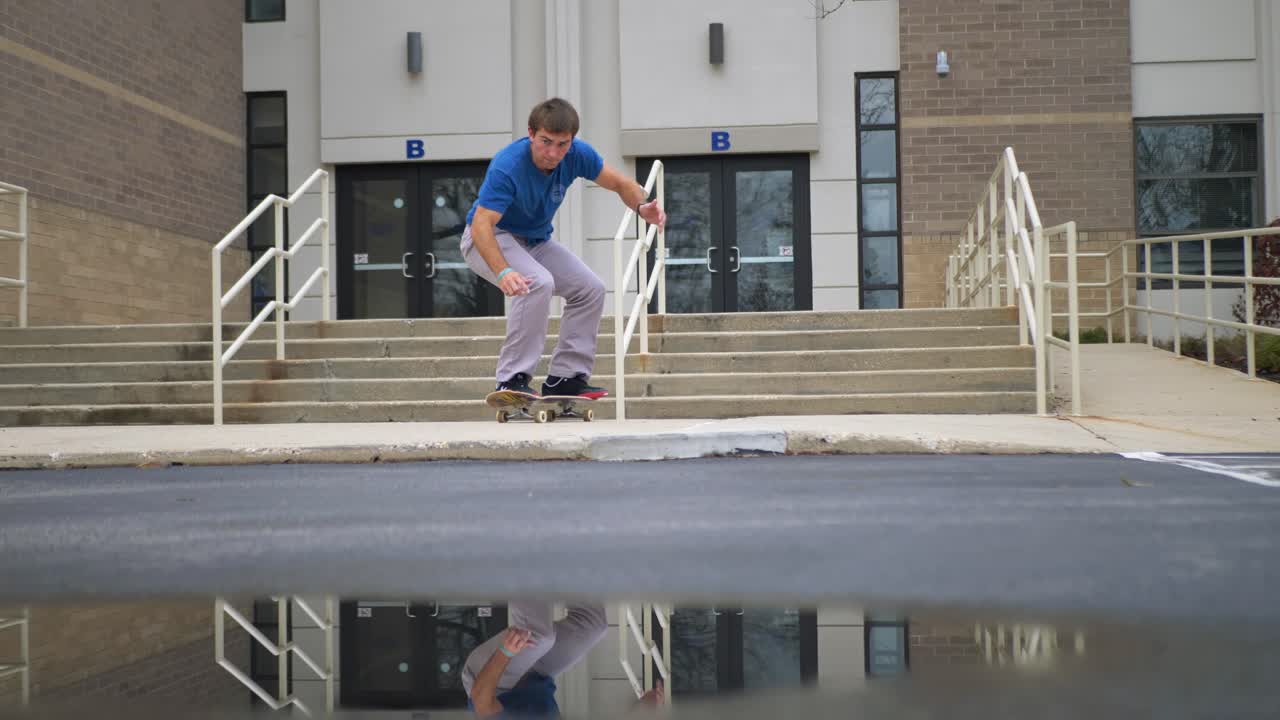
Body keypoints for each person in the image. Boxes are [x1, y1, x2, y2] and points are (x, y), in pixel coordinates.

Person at [462, 97, 667, 399]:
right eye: (546, 142)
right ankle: (511, 379)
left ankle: (566, 378)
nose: (553, 153)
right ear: (531, 133)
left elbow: (621, 183)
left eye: (562, 144)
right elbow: (482, 225)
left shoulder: (578, 155)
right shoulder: (508, 165)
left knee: (591, 288)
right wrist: (503, 270)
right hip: (489, 237)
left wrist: (641, 205)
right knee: (538, 283)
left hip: (535, 241)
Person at [462, 601, 607, 718]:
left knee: (538, 635)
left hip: (490, 682)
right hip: (535, 677)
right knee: (594, 626)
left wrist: (505, 652)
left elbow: (481, 703)